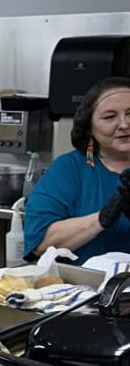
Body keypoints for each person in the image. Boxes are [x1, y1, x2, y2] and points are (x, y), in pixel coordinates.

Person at [24, 76, 130, 265]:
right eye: (109, 117)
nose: (124, 124)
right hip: (84, 289)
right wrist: (101, 218)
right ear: (90, 127)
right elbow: (40, 245)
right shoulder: (69, 169)